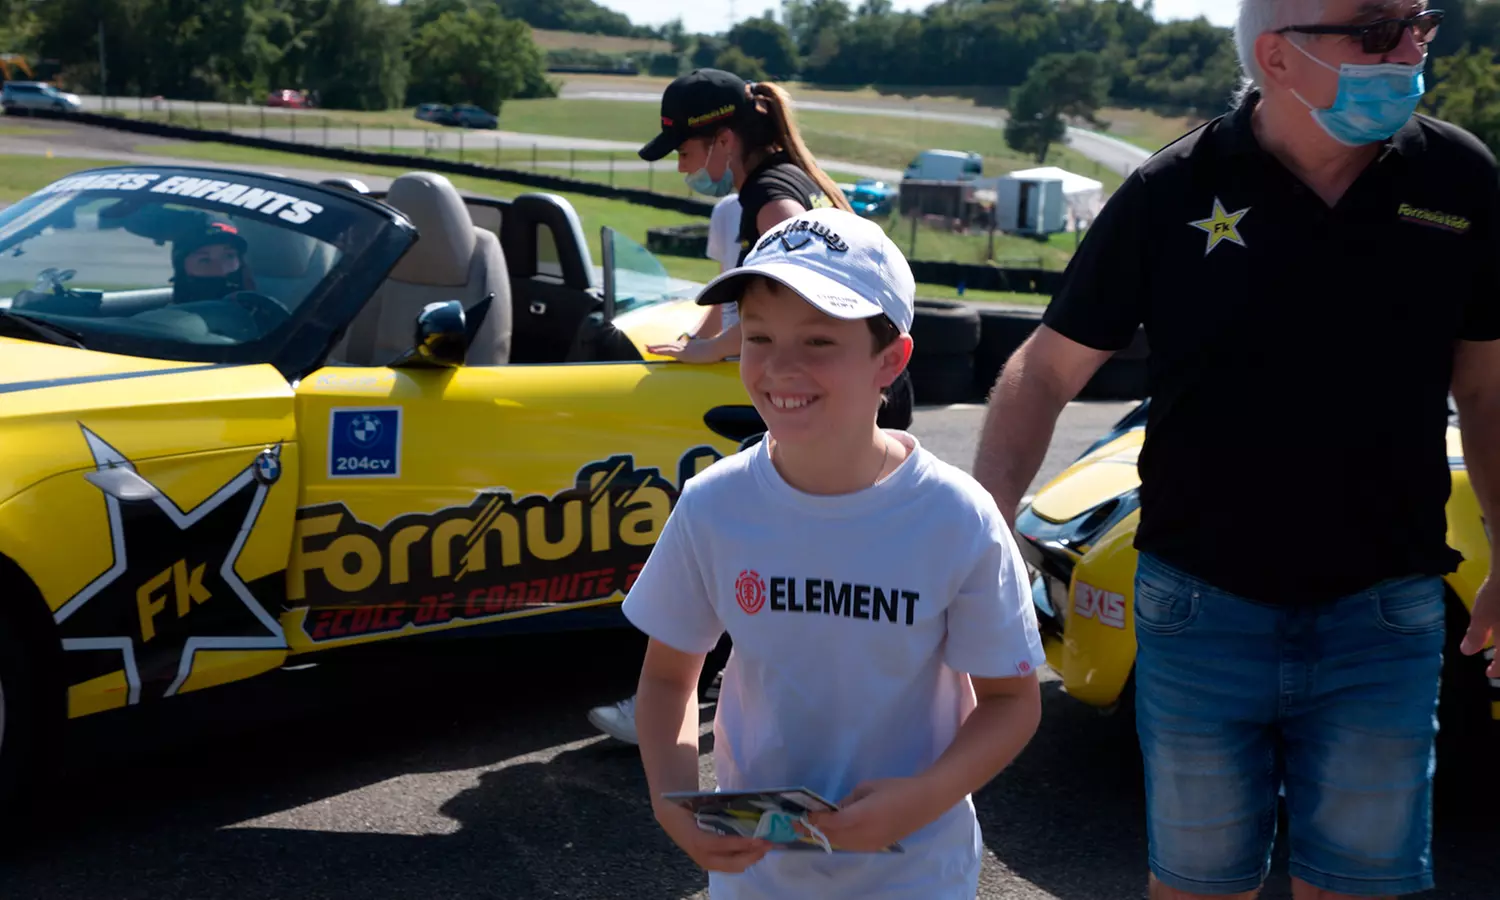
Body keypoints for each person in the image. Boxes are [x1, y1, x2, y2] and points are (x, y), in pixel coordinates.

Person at [973, 2, 1499, 899]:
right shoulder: (1174, 188)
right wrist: (981, 528)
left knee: (1364, 887)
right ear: (1277, 58)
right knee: (1199, 888)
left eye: (1419, 20)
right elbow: (1043, 370)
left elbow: (1485, 388)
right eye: (1378, 30)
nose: (1412, 46)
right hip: (1200, 610)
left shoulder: (1459, 176)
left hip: (1386, 613)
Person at [624, 207, 1044, 899]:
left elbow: (1011, 702)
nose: (779, 367)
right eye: (758, 336)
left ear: (892, 360)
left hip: (916, 876)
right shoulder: (713, 505)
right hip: (758, 877)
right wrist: (672, 804)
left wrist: (921, 798)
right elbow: (669, 678)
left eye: (819, 340)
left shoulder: (955, 516)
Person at [586, 70, 913, 744]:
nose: (683, 168)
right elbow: (741, 293)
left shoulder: (769, 195)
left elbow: (798, 299)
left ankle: (700, 696)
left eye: (684, 152)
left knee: (772, 544)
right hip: (854, 390)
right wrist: (701, 340)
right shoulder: (766, 183)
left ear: (723, 140)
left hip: (848, 396)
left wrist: (720, 349)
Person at [170, 219, 255, 305]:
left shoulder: (258, 309)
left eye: (229, 256)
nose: (221, 270)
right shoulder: (170, 313)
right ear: (182, 268)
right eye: (204, 260)